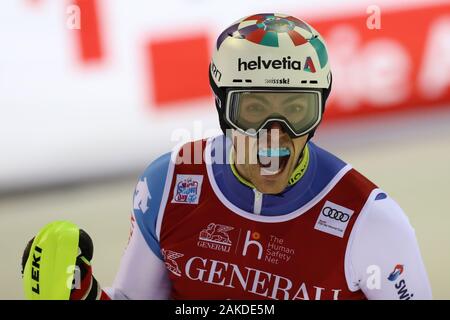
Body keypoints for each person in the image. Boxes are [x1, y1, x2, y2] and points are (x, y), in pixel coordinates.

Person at [22, 13, 432, 300]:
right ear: (222, 107)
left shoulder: (370, 221)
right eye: (253, 109)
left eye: (296, 110)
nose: (274, 135)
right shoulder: (170, 184)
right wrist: (81, 294)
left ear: (319, 110)